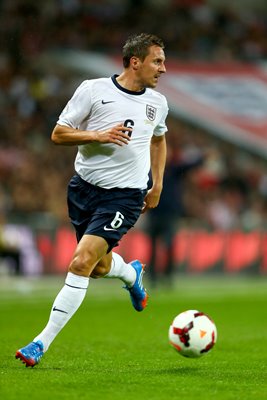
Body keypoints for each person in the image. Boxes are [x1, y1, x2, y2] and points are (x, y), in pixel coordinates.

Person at [15, 33, 168, 367]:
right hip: (83, 190)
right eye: (157, 61)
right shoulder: (93, 90)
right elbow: (59, 134)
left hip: (126, 196)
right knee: (97, 268)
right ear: (135, 62)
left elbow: (159, 140)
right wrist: (98, 134)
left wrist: (156, 184)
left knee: (80, 263)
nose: (163, 68)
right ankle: (130, 274)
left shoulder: (157, 103)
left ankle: (40, 343)